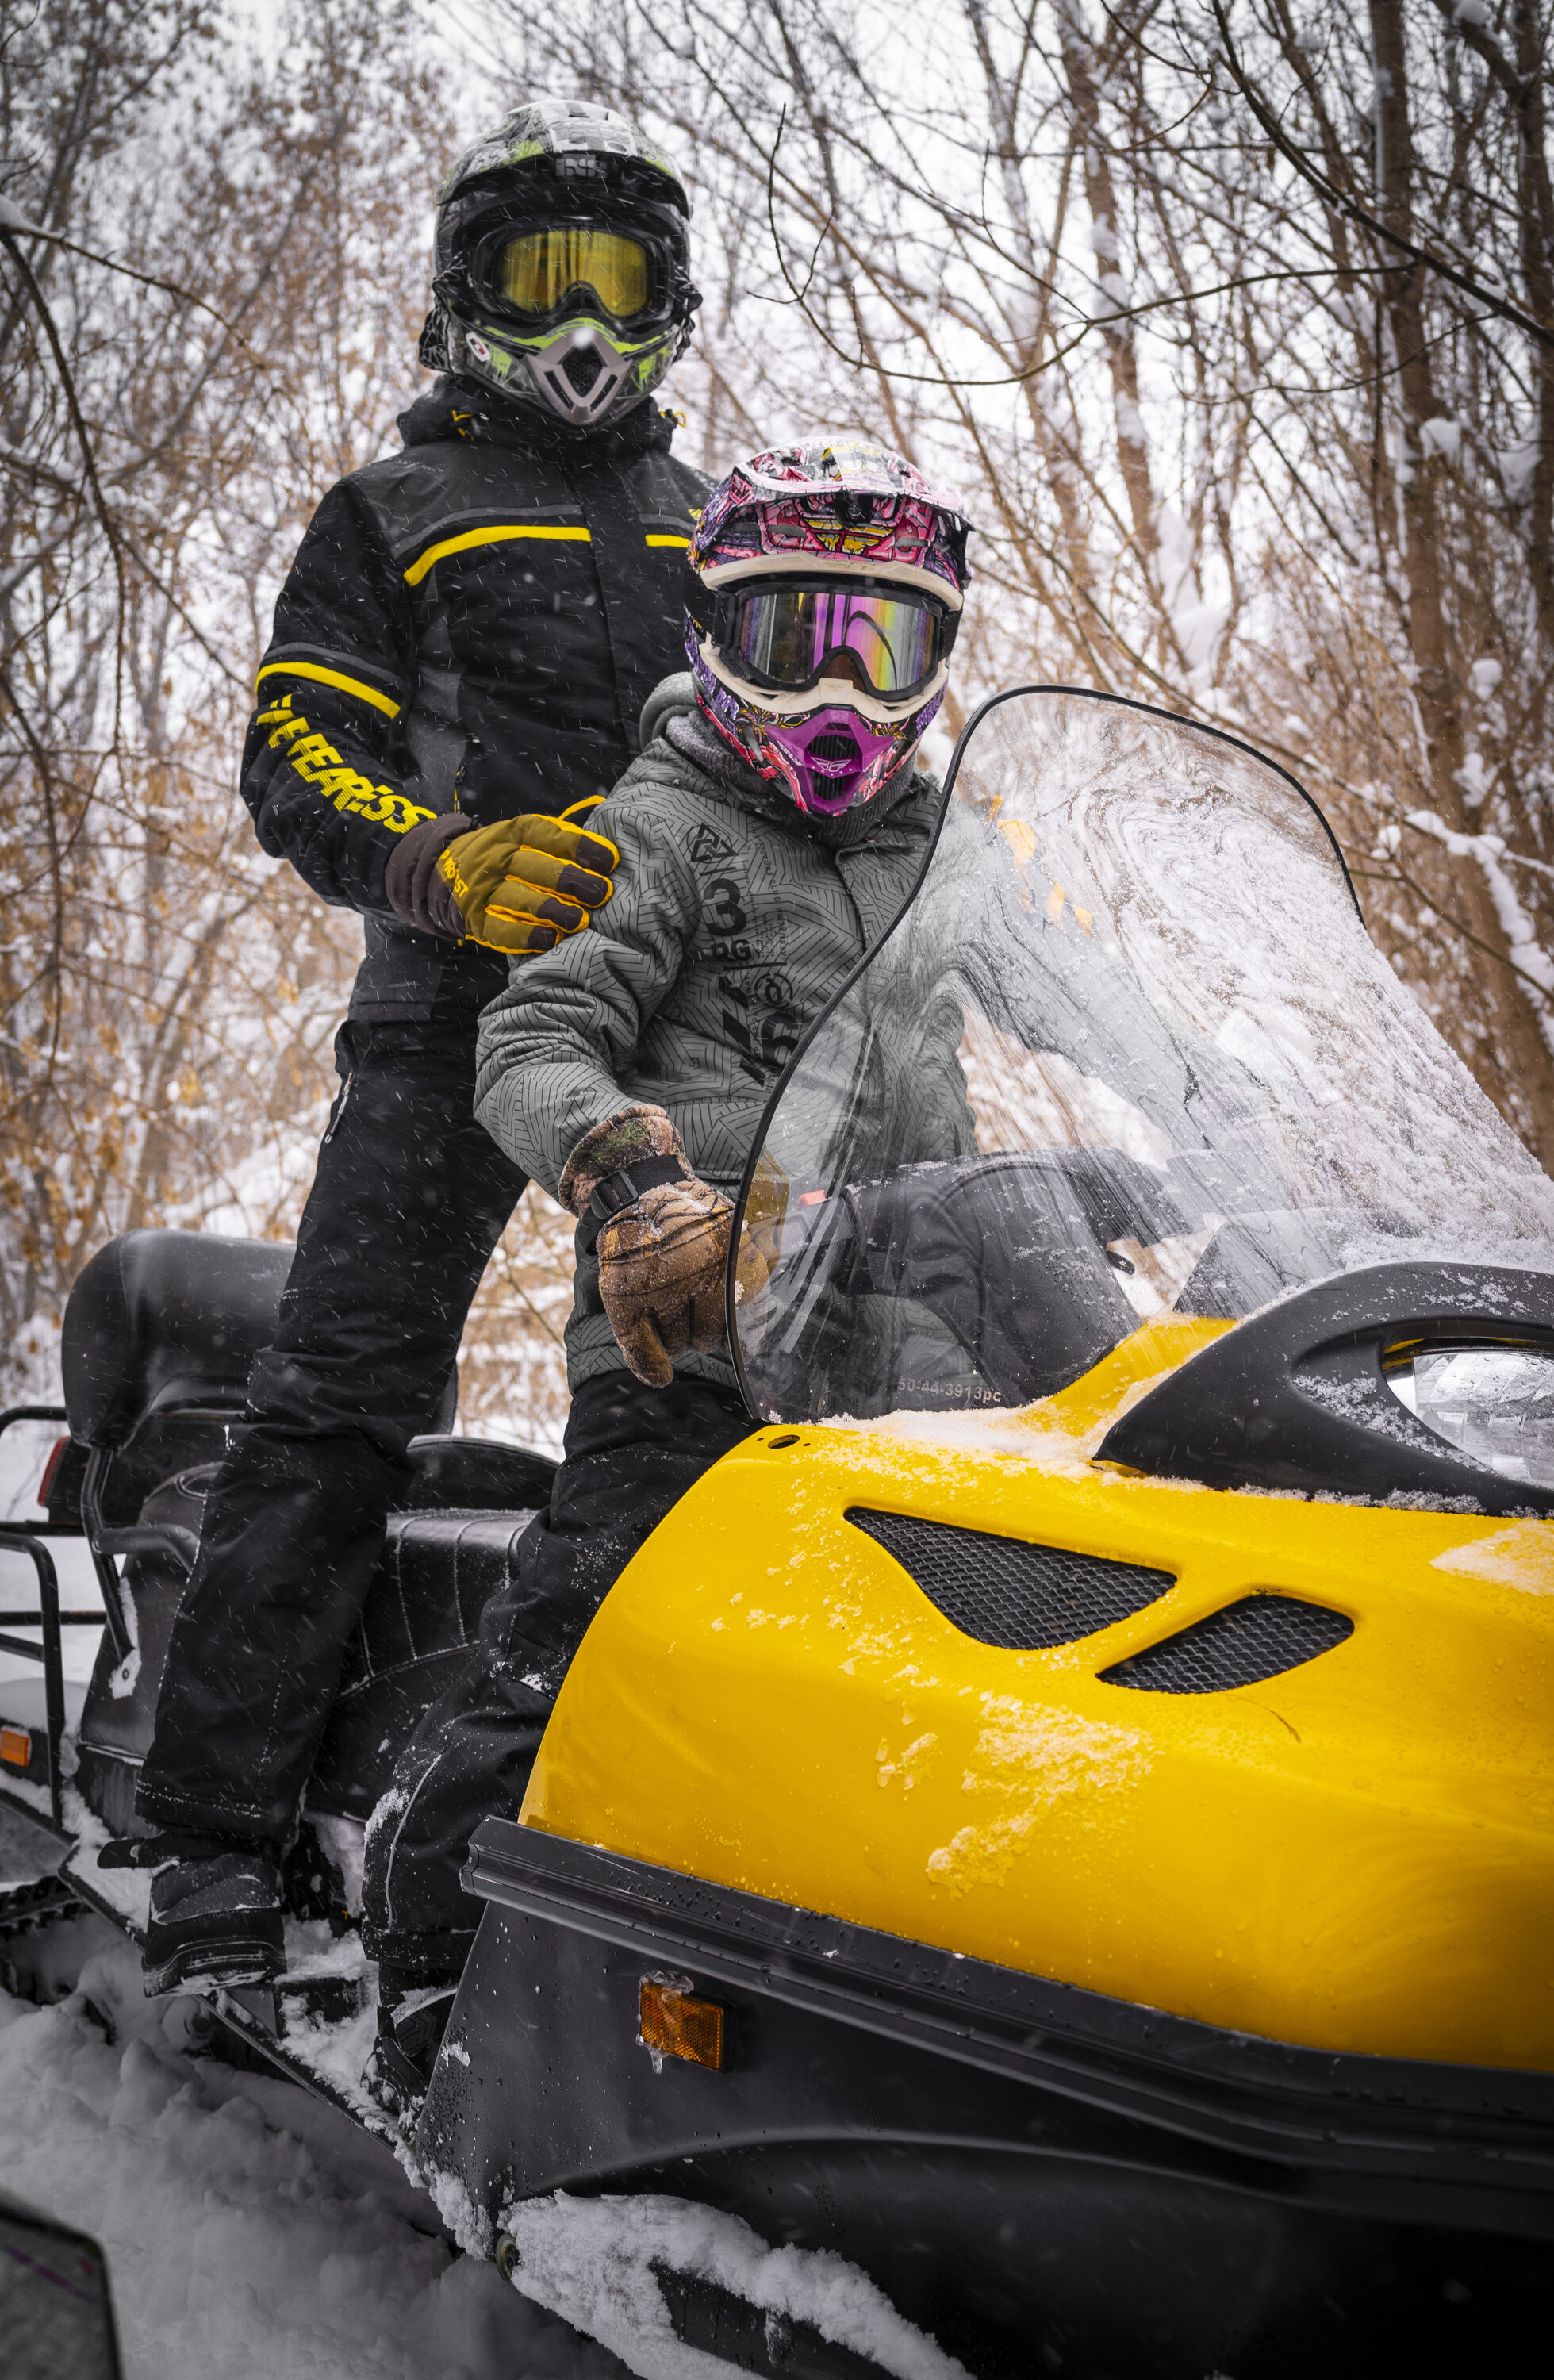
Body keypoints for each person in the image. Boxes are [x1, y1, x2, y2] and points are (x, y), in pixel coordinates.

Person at [121, 95, 714, 1998]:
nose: (579, 319)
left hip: (679, 1041)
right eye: (540, 278)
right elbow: (291, 755)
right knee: (338, 1398)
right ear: (463, 301)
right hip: (446, 1015)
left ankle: (592, 1831)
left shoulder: (717, 527)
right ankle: (207, 1838)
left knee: (695, 1409)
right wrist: (437, 861)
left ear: (670, 302)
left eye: (615, 278)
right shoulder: (392, 513)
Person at [358, 437, 973, 2105]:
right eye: (794, 639)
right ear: (714, 645)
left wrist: (1206, 1120)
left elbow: (1100, 1021)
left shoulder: (945, 860)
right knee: (590, 1648)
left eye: (883, 643)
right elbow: (533, 1030)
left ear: (938, 667)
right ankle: (422, 1961)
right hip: (695, 1341)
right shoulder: (658, 826)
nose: (838, 685)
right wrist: (629, 1174)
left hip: (918, 1377)